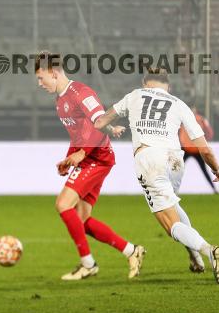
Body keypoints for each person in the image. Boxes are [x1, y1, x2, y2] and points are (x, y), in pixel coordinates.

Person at [94, 68, 219, 283]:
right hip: (175, 160)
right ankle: (195, 257)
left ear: (145, 82)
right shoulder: (179, 103)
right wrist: (217, 169)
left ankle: (208, 250)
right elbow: (204, 148)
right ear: (169, 87)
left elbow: (99, 122)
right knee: (172, 205)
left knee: (170, 225)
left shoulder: (135, 95)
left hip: (149, 159)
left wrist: (111, 129)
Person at [34, 52, 145, 281]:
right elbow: (77, 135)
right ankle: (132, 251)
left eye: (40, 77)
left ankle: (88, 264)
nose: (39, 83)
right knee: (82, 220)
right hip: (87, 157)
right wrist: (69, 158)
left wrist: (83, 153)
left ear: (53, 73)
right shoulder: (60, 100)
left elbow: (100, 123)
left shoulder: (81, 94)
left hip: (99, 157)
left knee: (63, 204)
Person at [179, 105, 218, 194]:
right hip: (187, 148)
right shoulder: (184, 120)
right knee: (178, 170)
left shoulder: (200, 120)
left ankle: (214, 189)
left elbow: (209, 133)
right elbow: (180, 134)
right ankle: (171, 191)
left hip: (196, 149)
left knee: (204, 170)